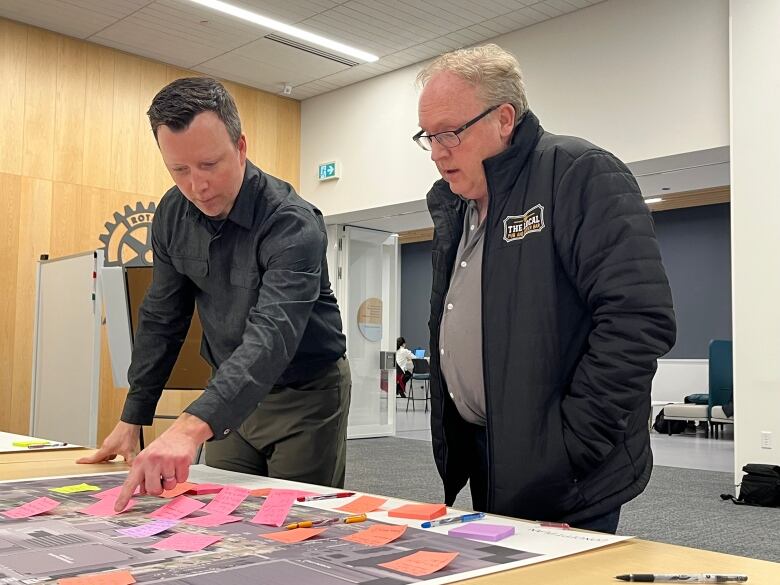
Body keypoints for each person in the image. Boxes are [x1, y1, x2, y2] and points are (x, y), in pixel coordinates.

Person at [414, 45, 676, 534]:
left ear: (504, 118)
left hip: (565, 469)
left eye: (450, 132)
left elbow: (638, 318)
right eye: (427, 136)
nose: (437, 151)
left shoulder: (579, 173)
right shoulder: (456, 206)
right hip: (489, 454)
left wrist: (568, 446)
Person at [79, 77, 351, 511]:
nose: (197, 186)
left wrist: (189, 428)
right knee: (219, 512)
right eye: (179, 170)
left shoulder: (292, 222)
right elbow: (162, 319)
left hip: (304, 394)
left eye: (209, 165)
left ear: (241, 147)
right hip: (229, 395)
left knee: (295, 520)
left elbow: (272, 335)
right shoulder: (172, 213)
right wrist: (133, 415)